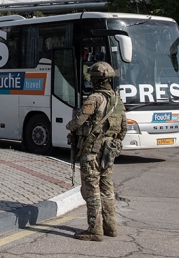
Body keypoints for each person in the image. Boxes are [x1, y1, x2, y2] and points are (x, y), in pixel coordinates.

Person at [67, 61, 127, 241]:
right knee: (107, 188)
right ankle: (111, 227)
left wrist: (70, 126)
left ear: (95, 80)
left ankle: (95, 230)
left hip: (92, 152)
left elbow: (77, 122)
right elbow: (123, 129)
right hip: (109, 152)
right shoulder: (117, 100)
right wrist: (112, 143)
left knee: (92, 189)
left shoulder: (94, 99)